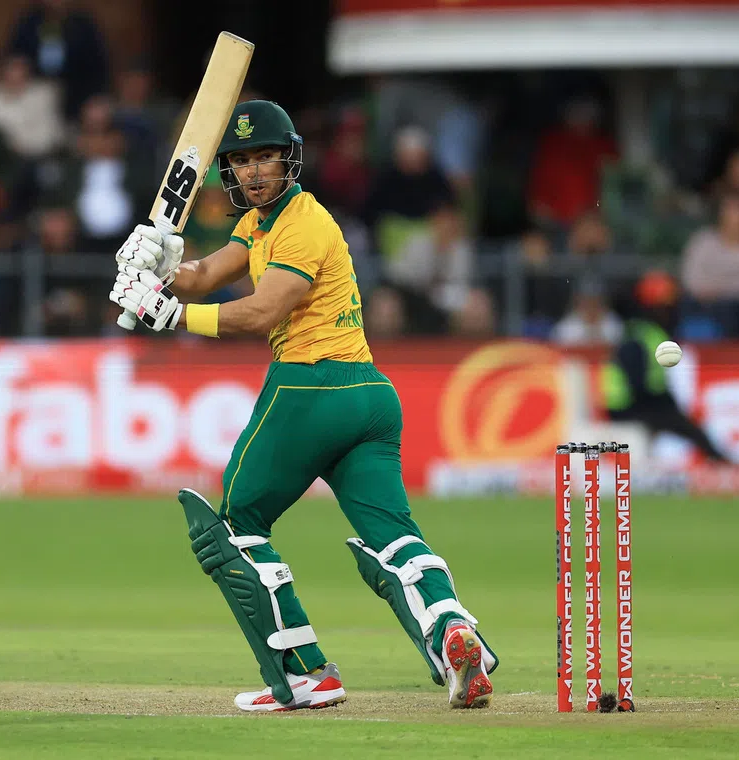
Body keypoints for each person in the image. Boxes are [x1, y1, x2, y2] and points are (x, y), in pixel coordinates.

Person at [108, 100, 498, 712]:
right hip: (369, 396)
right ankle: (454, 637)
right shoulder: (261, 223)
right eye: (240, 161)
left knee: (234, 525)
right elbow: (209, 273)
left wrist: (174, 314)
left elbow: (264, 310)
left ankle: (304, 676)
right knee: (393, 537)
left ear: (289, 158)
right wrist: (157, 267)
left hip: (310, 386)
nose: (254, 171)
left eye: (265, 156)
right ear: (230, 173)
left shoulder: (306, 224)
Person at [602, 270, 731, 463]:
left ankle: (719, 460)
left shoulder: (649, 333)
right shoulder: (640, 335)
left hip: (639, 403)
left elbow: (654, 382)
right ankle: (721, 463)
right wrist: (665, 407)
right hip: (626, 406)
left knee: (682, 423)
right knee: (682, 425)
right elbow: (637, 382)